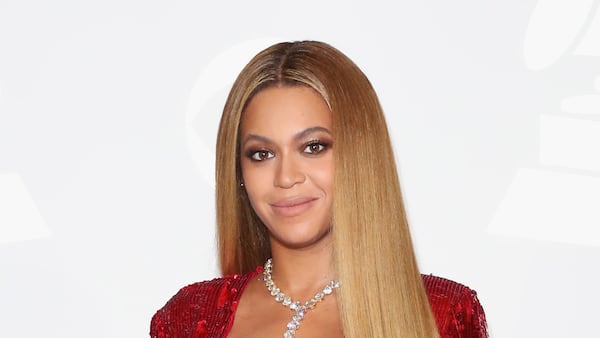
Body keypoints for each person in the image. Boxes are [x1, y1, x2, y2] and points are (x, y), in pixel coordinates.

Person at [150, 40, 488, 338]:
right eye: (262, 154)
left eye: (313, 147)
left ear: (359, 156)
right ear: (239, 172)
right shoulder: (188, 320)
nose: (286, 177)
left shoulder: (445, 315)